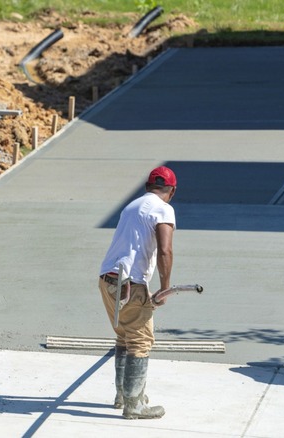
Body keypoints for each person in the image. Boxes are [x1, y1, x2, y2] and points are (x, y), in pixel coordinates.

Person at [98, 166, 177, 419]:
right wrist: (165, 288)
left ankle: (123, 396)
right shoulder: (164, 209)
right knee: (141, 340)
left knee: (124, 336)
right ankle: (134, 405)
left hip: (107, 279)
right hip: (131, 284)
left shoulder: (131, 206)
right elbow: (165, 250)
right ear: (172, 191)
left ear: (146, 187)